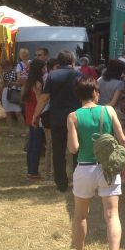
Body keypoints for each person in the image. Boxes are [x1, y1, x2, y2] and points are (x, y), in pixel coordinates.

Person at [66, 75, 125, 250]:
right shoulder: (108, 110)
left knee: (80, 215)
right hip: (108, 168)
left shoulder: (73, 116)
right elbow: (121, 138)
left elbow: (74, 148)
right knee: (112, 215)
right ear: (96, 92)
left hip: (85, 168)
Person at [31, 50, 82, 192]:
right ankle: (78, 181)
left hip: (57, 118)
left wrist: (36, 115)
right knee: (78, 150)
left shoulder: (52, 75)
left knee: (58, 151)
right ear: (72, 61)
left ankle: (61, 183)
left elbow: (44, 98)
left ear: (58, 63)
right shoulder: (80, 75)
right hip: (77, 118)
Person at [22, 59, 47, 181]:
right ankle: (33, 172)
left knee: (32, 144)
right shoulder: (38, 84)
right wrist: (37, 117)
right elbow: (40, 101)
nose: (45, 70)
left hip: (30, 115)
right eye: (43, 68)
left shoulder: (29, 82)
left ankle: (31, 170)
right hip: (36, 117)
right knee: (36, 145)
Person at [1, 58, 23, 130]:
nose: (5, 68)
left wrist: (12, 83)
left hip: (14, 92)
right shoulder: (3, 73)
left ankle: (22, 129)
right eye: (4, 67)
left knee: (18, 112)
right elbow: (3, 84)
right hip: (6, 92)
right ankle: (11, 130)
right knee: (8, 113)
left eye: (6, 66)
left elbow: (20, 83)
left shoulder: (16, 72)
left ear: (10, 65)